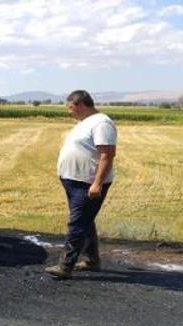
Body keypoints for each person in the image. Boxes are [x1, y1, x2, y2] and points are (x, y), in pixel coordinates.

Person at [45, 90, 117, 279]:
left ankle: (65, 267)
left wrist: (97, 184)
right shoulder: (85, 123)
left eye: (71, 108)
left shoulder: (102, 123)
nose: (70, 112)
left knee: (77, 223)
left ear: (80, 104)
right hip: (74, 181)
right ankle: (91, 260)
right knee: (85, 221)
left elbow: (107, 155)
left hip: (87, 183)